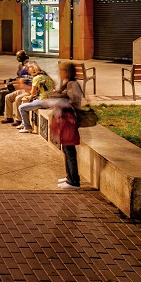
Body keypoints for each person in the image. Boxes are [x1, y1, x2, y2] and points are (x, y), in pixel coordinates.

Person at [50, 61, 83, 190]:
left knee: (70, 151)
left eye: (61, 70)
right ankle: (70, 176)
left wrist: (59, 101)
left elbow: (74, 102)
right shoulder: (67, 84)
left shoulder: (73, 84)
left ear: (67, 72)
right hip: (64, 121)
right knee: (66, 149)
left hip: (69, 121)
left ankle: (74, 182)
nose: (59, 73)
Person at [15, 62, 56, 132]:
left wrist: (30, 97)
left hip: (43, 101)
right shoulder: (47, 77)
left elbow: (33, 93)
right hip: (50, 100)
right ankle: (23, 123)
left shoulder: (36, 78)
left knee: (21, 107)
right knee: (24, 103)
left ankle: (27, 127)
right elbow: (53, 87)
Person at [0, 50, 30, 117]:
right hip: (20, 84)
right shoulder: (21, 66)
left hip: (24, 87)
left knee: (3, 92)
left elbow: (24, 80)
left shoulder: (27, 67)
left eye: (18, 57)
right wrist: (12, 80)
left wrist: (13, 82)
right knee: (1, 90)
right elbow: (19, 77)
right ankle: (1, 110)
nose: (17, 59)